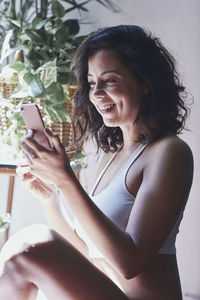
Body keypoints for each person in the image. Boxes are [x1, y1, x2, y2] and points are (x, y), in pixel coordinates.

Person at [0, 25, 193, 300]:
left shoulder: (170, 151)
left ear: (146, 82)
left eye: (110, 80)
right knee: (20, 251)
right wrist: (50, 197)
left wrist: (67, 181)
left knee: (30, 247)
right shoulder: (109, 157)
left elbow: (129, 262)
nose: (97, 93)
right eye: (92, 83)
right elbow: (89, 253)